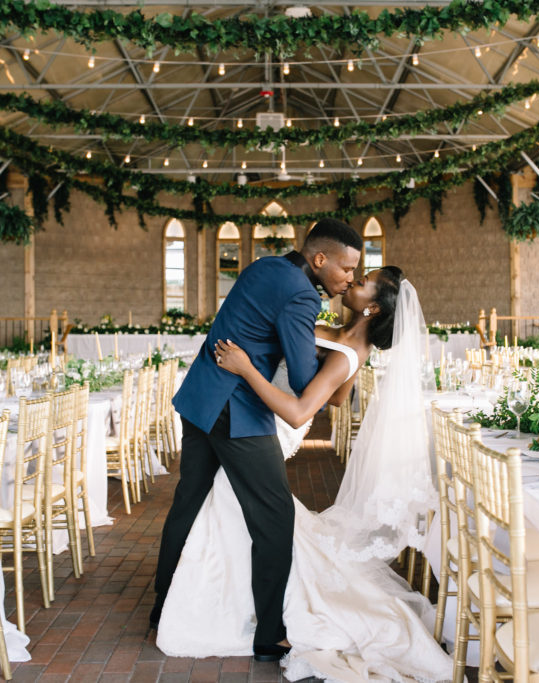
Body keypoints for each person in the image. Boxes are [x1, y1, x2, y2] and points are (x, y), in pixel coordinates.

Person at [155, 267, 452, 682]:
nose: (351, 280)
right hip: (253, 416)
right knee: (225, 507)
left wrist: (245, 368)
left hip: (272, 423)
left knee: (246, 511)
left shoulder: (350, 352)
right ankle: (214, 597)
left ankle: (233, 610)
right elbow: (338, 397)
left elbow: (299, 411)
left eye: (361, 279)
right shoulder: (345, 341)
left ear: (371, 308)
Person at [152, 218, 363, 662]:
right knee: (275, 515)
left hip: (203, 396)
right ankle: (269, 633)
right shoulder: (303, 294)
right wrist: (342, 358)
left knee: (187, 501)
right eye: (346, 270)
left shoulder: (263, 266)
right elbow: (305, 379)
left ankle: (162, 604)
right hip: (238, 410)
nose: (349, 280)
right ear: (319, 259)